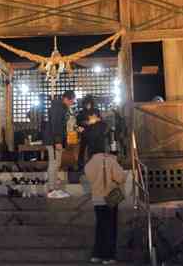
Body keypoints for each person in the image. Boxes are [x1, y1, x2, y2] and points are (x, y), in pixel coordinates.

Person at [84, 122, 125, 264]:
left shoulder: (90, 163)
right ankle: (109, 256)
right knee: (111, 227)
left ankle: (97, 254)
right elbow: (120, 177)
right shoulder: (111, 160)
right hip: (110, 197)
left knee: (100, 226)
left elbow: (88, 176)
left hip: (97, 197)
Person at [43, 89, 76, 198]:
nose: (72, 103)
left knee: (56, 163)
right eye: (71, 101)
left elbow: (63, 124)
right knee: (53, 163)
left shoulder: (61, 107)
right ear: (66, 99)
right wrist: (57, 141)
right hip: (53, 140)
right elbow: (56, 125)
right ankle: (51, 190)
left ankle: (54, 188)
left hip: (55, 139)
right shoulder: (58, 107)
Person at [76, 95, 102, 170]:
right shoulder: (81, 112)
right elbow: (78, 122)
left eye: (89, 104)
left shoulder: (96, 111)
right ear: (84, 104)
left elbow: (100, 120)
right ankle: (81, 166)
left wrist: (97, 120)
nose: (88, 105)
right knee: (82, 150)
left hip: (94, 133)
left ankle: (93, 165)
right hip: (85, 133)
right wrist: (85, 123)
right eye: (86, 104)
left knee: (93, 150)